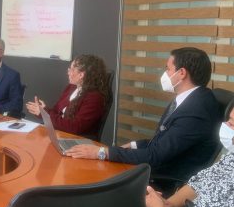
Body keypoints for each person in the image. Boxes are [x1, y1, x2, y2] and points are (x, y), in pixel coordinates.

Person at [66, 47, 221, 193]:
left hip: (165, 181)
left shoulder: (196, 111)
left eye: (168, 69)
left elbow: (156, 155)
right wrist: (134, 144)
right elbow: (164, 142)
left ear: (181, 73)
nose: (165, 74)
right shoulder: (190, 100)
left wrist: (102, 152)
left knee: (92, 180)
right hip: (158, 166)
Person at [26, 54, 110, 140]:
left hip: (76, 140)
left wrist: (44, 114)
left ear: (81, 75)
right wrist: (44, 110)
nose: (68, 72)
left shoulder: (94, 98)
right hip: (59, 134)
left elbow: (73, 127)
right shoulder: (72, 87)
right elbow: (56, 112)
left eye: (71, 69)